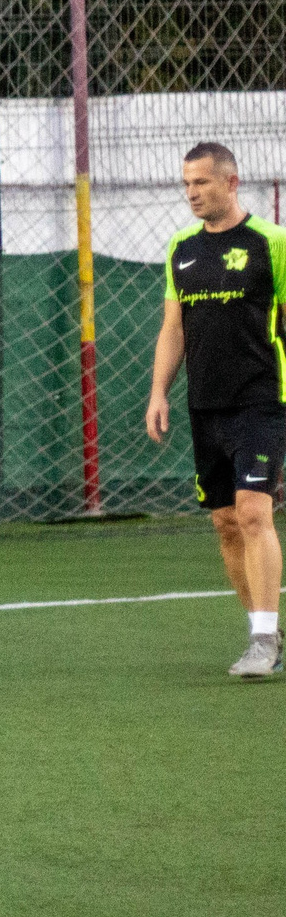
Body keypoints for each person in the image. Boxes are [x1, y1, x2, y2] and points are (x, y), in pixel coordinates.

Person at [145, 141, 286, 678]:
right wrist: (159, 392)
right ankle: (265, 626)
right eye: (186, 184)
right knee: (227, 523)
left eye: (201, 182)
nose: (191, 193)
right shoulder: (181, 248)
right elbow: (173, 328)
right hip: (205, 406)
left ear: (231, 182)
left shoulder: (271, 243)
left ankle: (263, 642)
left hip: (263, 400)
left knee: (254, 512)